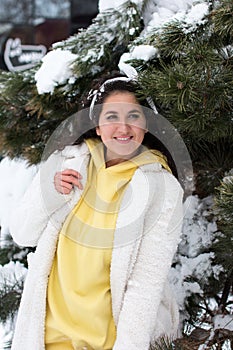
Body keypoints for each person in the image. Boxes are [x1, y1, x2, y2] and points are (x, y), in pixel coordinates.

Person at [10, 74, 184, 350]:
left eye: (134, 116)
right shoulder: (66, 161)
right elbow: (22, 234)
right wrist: (50, 194)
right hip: (48, 339)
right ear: (98, 126)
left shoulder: (162, 189)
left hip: (111, 341)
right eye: (112, 116)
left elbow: (146, 283)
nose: (123, 127)